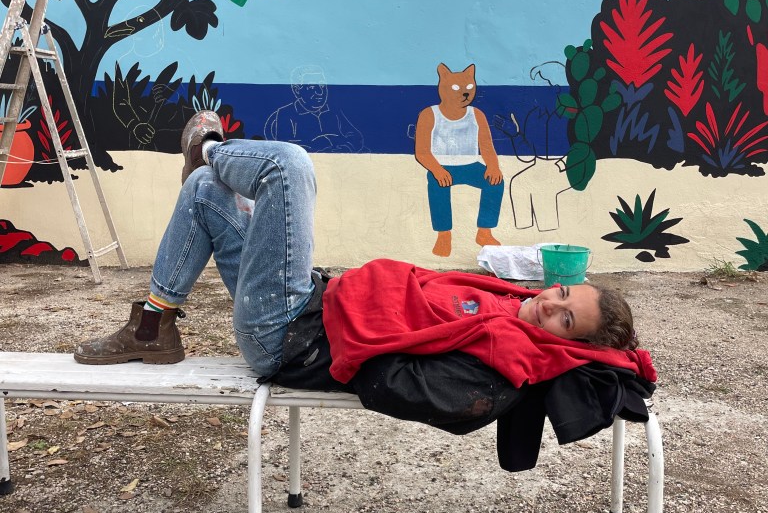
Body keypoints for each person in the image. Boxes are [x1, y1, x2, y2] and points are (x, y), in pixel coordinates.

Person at [75, 112, 656, 471]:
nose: (549, 302)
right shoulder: (507, 301)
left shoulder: (504, 363)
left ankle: (207, 150)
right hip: (311, 297)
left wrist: (361, 327)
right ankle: (152, 325)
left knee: (287, 167)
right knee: (206, 192)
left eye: (564, 319)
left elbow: (393, 386)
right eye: (562, 292)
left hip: (290, 334)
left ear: (568, 345)